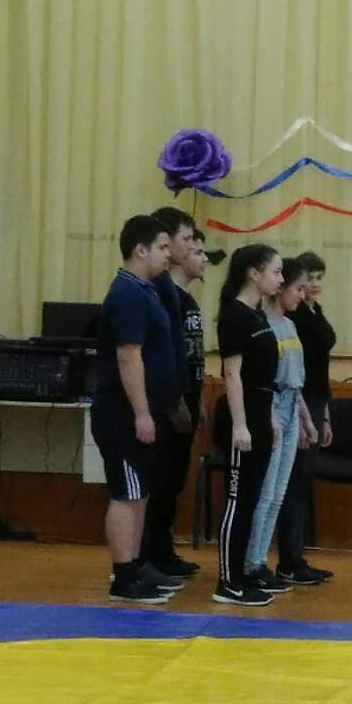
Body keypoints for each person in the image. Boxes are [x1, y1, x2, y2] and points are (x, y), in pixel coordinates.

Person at [92, 215, 178, 603]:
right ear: (140, 250)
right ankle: (123, 575)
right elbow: (129, 357)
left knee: (139, 492)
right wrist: (142, 412)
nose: (168, 254)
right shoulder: (128, 294)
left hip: (141, 410)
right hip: (121, 413)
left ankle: (136, 564)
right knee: (127, 493)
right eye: (162, 247)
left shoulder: (146, 291)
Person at [213, 244, 282, 606]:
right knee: (237, 501)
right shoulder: (234, 315)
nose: (280, 279)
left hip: (260, 414)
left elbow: (264, 376)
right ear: (254, 274)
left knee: (252, 500)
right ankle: (227, 581)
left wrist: (268, 419)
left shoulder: (258, 317)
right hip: (242, 419)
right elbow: (233, 374)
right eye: (276, 271)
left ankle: (242, 575)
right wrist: (240, 425)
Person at [140, 220, 208, 579]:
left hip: (188, 398)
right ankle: (148, 555)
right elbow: (164, 355)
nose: (196, 250)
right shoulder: (161, 295)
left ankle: (163, 551)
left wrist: (199, 399)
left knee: (175, 481)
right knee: (160, 479)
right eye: (188, 242)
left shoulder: (187, 298)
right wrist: (178, 400)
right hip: (169, 403)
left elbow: (191, 356)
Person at [243, 258, 317, 591]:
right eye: (298, 288)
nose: (303, 295)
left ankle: (261, 561)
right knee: (265, 492)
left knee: (278, 494)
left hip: (290, 406)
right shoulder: (263, 325)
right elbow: (262, 379)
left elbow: (294, 382)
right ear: (281, 287)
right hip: (271, 407)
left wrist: (305, 417)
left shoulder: (290, 326)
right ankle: (251, 563)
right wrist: (271, 416)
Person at [276, 250, 336, 584]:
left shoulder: (315, 311)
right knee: (294, 483)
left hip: (316, 400)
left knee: (301, 484)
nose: (313, 285)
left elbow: (321, 370)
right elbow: (296, 371)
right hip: (299, 402)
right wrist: (302, 416)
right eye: (307, 279)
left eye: (318, 278)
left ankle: (296, 556)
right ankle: (289, 559)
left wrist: (324, 416)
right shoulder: (295, 317)